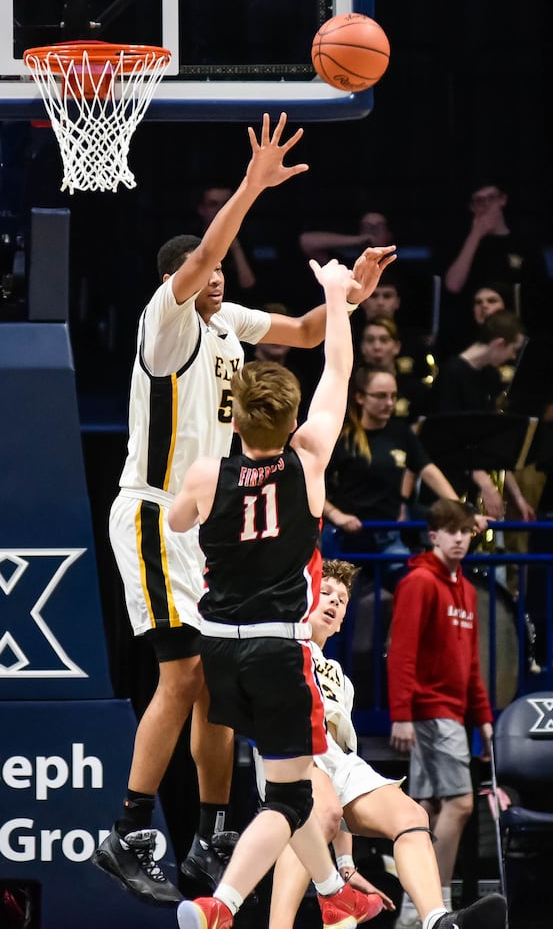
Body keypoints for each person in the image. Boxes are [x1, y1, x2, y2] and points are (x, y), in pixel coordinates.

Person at [91, 111, 396, 907]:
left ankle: (214, 830)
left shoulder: (226, 322)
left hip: (209, 518)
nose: (218, 279)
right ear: (180, 282)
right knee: (183, 671)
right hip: (157, 515)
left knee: (214, 676)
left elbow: (298, 329)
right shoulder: (165, 326)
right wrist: (253, 188)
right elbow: (199, 259)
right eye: (206, 272)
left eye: (222, 274)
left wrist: (348, 301)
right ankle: (126, 830)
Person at [166, 257, 388, 929]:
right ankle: (219, 906)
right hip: (276, 650)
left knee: (277, 783)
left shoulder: (208, 472)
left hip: (218, 651)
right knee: (288, 799)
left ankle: (331, 891)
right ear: (288, 418)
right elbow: (338, 375)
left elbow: (175, 518)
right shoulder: (309, 460)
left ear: (236, 416)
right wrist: (334, 297)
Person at [259, 558, 506, 929]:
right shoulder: (283, 645)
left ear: (343, 621)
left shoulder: (342, 681)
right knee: (313, 816)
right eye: (324, 592)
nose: (333, 602)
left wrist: (345, 864)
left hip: (334, 761)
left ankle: (435, 919)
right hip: (292, 753)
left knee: (412, 816)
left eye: (341, 600)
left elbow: (341, 784)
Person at [387, 499, 495, 929]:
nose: (460, 538)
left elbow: (470, 663)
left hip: (453, 713)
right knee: (461, 804)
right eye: (451, 531)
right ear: (433, 535)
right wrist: (401, 714)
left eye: (466, 531)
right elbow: (401, 654)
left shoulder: (466, 590)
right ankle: (433, 908)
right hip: (429, 711)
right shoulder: (419, 582)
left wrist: (483, 716)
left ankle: (417, 911)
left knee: (428, 808)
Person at [322, 366, 485, 585]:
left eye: (393, 396)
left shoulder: (401, 433)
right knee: (342, 598)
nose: (389, 403)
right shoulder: (343, 436)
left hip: (388, 536)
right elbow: (311, 484)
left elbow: (428, 470)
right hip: (346, 537)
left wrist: (463, 510)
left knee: (414, 583)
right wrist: (337, 516)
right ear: (360, 397)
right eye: (380, 396)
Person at [426, 309, 535, 522]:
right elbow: (451, 441)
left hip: (476, 482)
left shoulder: (488, 375)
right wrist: (485, 483)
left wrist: (517, 497)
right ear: (499, 343)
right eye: (513, 350)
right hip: (449, 484)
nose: (513, 357)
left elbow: (493, 442)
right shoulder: (452, 374)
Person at [441, 181, 550, 349]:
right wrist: (476, 234)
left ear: (502, 200)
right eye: (478, 200)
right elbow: (453, 285)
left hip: (516, 333)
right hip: (472, 336)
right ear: (471, 206)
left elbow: (540, 295)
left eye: (490, 198)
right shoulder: (461, 245)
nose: (485, 205)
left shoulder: (525, 246)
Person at [357, 316, 432, 424]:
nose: (377, 347)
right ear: (362, 347)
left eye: (384, 340)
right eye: (370, 340)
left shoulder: (415, 390)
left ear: (396, 347)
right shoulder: (352, 386)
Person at [195, 185, 259, 304]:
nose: (221, 210)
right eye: (213, 204)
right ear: (201, 209)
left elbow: (249, 285)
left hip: (240, 307)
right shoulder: (191, 242)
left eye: (226, 204)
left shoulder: (246, 239)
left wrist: (235, 246)